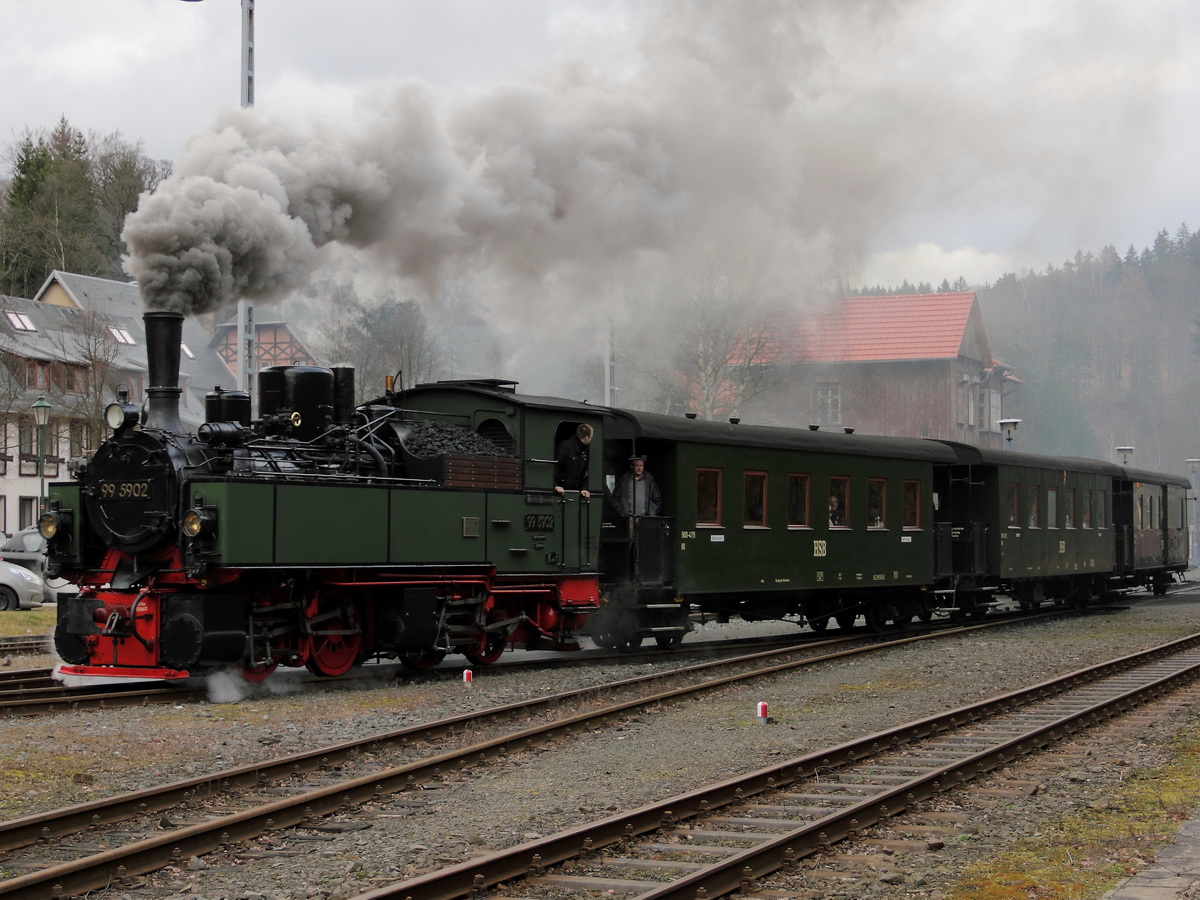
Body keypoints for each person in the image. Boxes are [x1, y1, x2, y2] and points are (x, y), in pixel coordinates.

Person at [554, 424, 592, 498]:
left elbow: (585, 473)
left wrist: (583, 488)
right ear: (586, 437)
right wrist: (555, 485)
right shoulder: (565, 446)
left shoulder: (585, 450)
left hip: (575, 491)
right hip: (560, 491)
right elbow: (554, 466)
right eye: (591, 437)